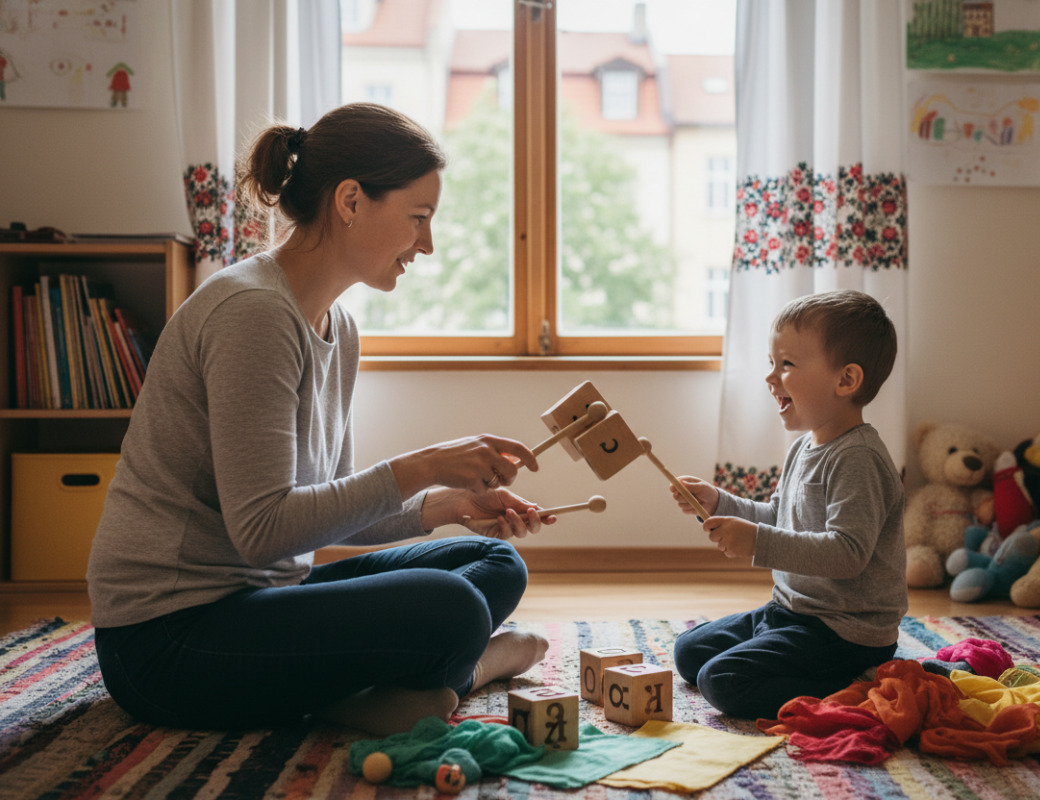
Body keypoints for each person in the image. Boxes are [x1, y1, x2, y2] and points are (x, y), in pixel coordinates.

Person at [87, 103, 554, 735]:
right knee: (450, 609)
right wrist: (422, 464)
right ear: (351, 201)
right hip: (168, 643)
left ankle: (355, 694)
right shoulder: (252, 314)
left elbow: (321, 506)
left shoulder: (339, 327)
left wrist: (443, 504)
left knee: (494, 565)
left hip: (264, 599)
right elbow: (264, 528)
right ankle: (462, 672)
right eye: (418, 218)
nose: (428, 243)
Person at [669, 290, 905, 720]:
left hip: (843, 634)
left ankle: (857, 683)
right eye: (771, 363)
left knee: (721, 682)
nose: (770, 377)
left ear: (846, 380)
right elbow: (779, 518)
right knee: (688, 652)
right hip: (791, 610)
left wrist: (758, 543)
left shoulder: (859, 459)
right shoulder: (803, 448)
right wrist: (721, 501)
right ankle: (793, 660)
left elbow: (847, 554)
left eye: (787, 365)